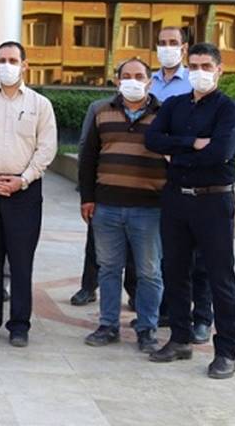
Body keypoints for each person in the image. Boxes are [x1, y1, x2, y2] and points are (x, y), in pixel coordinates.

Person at [146, 42, 235, 380]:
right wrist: (190, 143)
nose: (200, 72)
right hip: (176, 199)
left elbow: (220, 152)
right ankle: (179, 338)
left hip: (213, 201)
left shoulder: (229, 110)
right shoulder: (174, 105)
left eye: (207, 66)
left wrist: (176, 154)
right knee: (174, 270)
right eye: (195, 66)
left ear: (220, 70)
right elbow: (153, 139)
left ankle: (226, 351)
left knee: (220, 276)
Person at [0, 40, 57, 347]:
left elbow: (46, 149)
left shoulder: (40, 105)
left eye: (12, 60)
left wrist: (23, 179)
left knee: (21, 262)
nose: (6, 66)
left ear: (24, 65)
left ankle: (19, 325)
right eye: (1, 61)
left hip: (24, 193)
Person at [77, 58, 167, 353]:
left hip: (149, 208)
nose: (132, 81)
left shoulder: (165, 114)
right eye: (126, 76)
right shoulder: (102, 112)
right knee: (109, 268)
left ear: (150, 81)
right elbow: (89, 157)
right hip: (107, 206)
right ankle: (108, 325)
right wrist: (87, 197)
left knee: (149, 272)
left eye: (139, 76)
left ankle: (147, 328)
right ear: (117, 81)